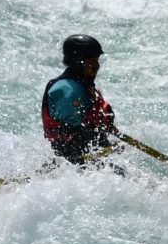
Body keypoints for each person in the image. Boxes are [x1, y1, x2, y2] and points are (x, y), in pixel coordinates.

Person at [41, 34, 116, 164]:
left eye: (97, 61)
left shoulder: (84, 86)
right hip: (70, 163)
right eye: (91, 62)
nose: (97, 66)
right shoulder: (66, 91)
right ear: (77, 62)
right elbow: (72, 133)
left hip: (88, 158)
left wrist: (106, 128)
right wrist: (104, 143)